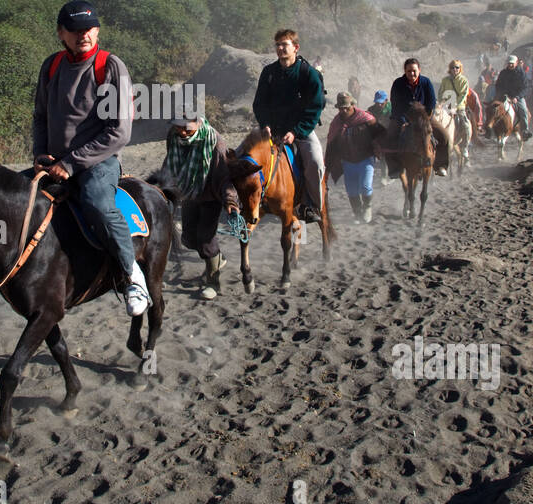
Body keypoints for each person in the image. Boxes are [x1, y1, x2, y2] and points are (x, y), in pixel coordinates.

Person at [33, 0, 149, 316]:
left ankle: (131, 274)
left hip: (98, 162)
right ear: (61, 33)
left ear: (97, 30)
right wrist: (40, 153)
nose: (83, 35)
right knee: (15, 198)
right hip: (54, 162)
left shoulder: (110, 67)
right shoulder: (52, 66)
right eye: (75, 30)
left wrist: (70, 164)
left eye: (89, 28)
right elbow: (41, 116)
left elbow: (119, 131)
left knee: (97, 203)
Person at [159, 112, 238, 300]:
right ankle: (217, 258)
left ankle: (213, 283)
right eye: (178, 126)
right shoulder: (173, 136)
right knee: (188, 238)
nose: (182, 132)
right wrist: (161, 188)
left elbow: (224, 175)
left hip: (210, 194)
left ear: (197, 122)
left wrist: (230, 200)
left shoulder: (214, 140)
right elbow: (170, 163)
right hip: (188, 193)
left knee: (205, 238)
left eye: (186, 127)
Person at [252, 29, 327, 223]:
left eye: (284, 44)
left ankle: (312, 205)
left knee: (316, 162)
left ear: (296, 47)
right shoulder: (269, 73)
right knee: (245, 157)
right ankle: (249, 201)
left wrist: (296, 132)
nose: (280, 48)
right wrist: (265, 124)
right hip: (272, 130)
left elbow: (315, 106)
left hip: (301, 131)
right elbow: (259, 103)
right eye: (277, 44)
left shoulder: (308, 74)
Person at [385, 58, 451, 177]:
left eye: (414, 71)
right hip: (403, 117)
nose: (412, 74)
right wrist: (404, 121)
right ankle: (395, 167)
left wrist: (425, 119)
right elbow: (396, 105)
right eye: (409, 71)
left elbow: (431, 103)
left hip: (425, 117)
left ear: (419, 70)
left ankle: (440, 166)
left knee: (444, 136)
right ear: (405, 71)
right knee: (389, 136)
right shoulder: (398, 84)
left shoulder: (426, 82)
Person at [326, 92, 377, 223]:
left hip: (366, 159)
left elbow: (380, 136)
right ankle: (357, 214)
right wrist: (328, 166)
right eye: (341, 108)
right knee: (352, 190)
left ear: (352, 105)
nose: (343, 110)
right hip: (348, 161)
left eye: (346, 107)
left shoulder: (366, 119)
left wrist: (382, 150)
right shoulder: (336, 123)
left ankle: (367, 208)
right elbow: (331, 144)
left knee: (365, 186)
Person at [437, 59, 476, 155]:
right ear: (449, 69)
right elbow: (441, 92)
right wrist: (441, 103)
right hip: (446, 107)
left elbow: (463, 95)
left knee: (466, 125)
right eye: (452, 67)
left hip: (459, 107)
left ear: (460, 69)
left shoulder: (463, 80)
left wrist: (455, 106)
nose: (454, 69)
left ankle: (465, 147)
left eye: (457, 67)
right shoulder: (445, 80)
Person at [493, 54, 533, 140]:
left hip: (517, 97)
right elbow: (498, 85)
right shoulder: (503, 73)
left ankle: (525, 130)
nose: (510, 65)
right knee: (493, 107)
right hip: (505, 96)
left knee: (524, 111)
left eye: (512, 63)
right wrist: (501, 93)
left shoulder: (521, 73)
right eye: (509, 63)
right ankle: (490, 127)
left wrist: (517, 97)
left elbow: (525, 87)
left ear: (516, 63)